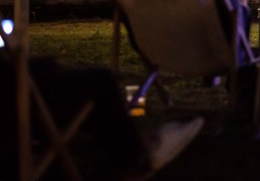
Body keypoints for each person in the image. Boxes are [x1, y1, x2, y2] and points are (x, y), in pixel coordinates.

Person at [0, 52, 203, 180]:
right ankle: (136, 161)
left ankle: (122, 140)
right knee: (100, 81)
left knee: (46, 66)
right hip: (12, 105)